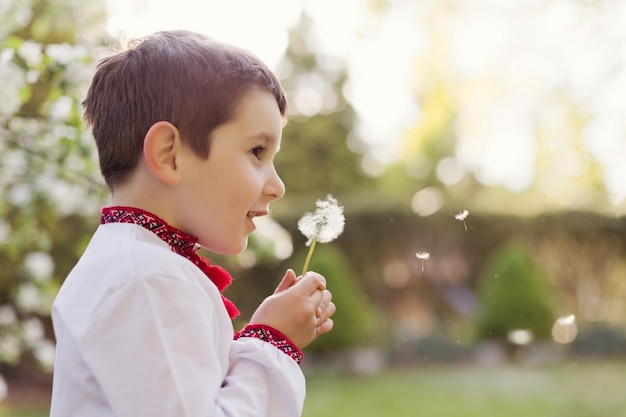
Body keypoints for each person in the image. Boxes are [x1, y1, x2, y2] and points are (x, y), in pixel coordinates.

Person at [49, 30, 336, 417]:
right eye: (257, 151)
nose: (277, 186)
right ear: (169, 154)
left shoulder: (135, 264)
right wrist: (273, 341)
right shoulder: (147, 279)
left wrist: (262, 333)